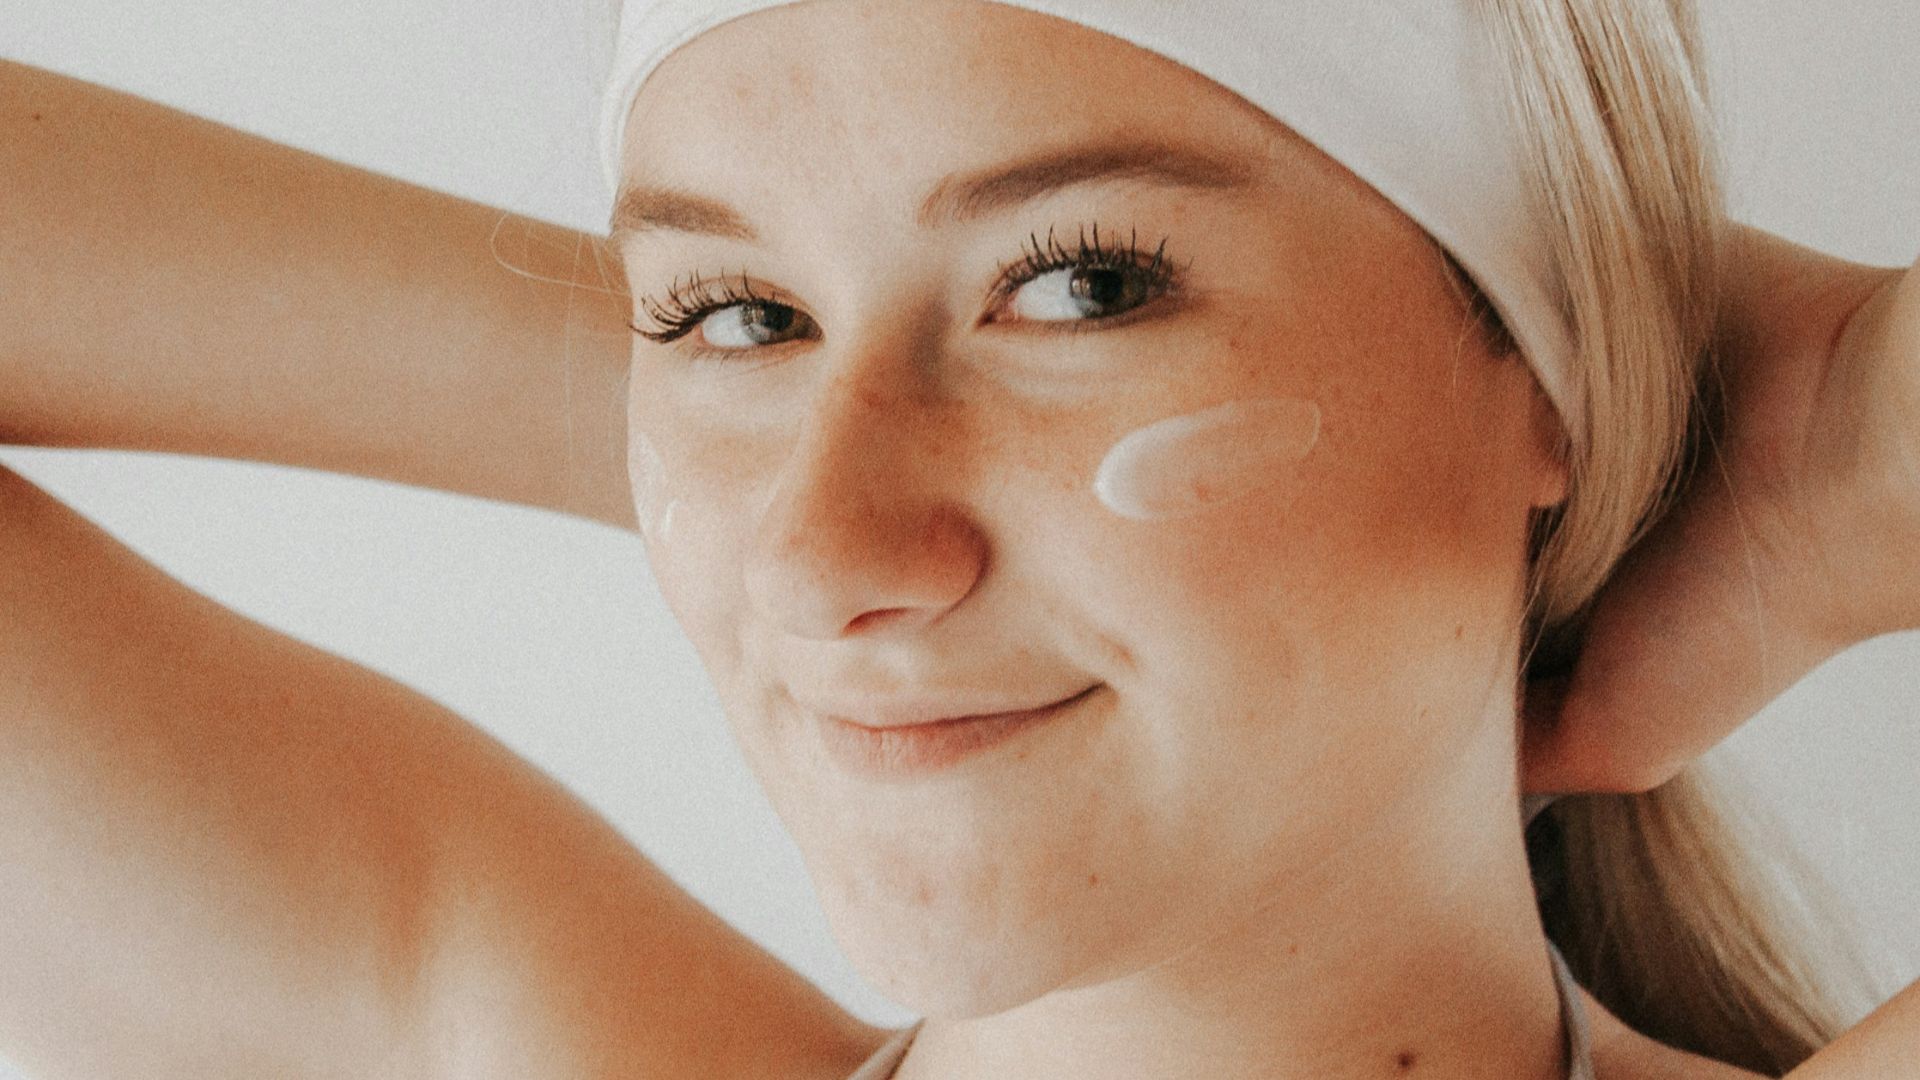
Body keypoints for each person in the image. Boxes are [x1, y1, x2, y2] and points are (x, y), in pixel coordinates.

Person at [0, 2, 1915, 1079]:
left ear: (1541, 383)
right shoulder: (455, 1021)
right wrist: (736, 464)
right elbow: (809, 526)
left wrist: (1838, 421)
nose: (831, 553)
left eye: (1079, 285)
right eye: (723, 317)